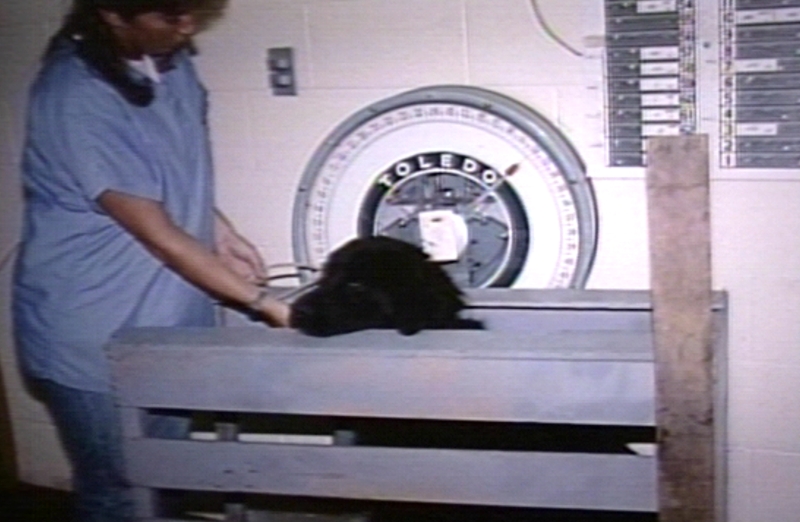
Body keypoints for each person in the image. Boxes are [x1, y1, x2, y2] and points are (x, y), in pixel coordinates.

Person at [12, 1, 289, 520]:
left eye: (192, 12)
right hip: (95, 331)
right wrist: (264, 303)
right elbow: (157, 233)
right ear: (113, 14)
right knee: (121, 493)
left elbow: (168, 171)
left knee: (163, 479)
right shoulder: (76, 96)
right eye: (170, 16)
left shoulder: (173, 63)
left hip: (164, 322)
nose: (188, 27)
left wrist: (219, 231)